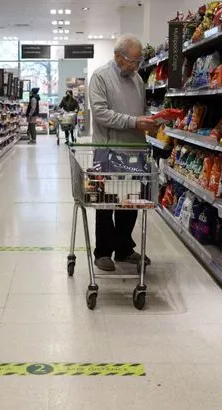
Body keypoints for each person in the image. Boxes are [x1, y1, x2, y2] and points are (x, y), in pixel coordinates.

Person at [88, 34, 157, 272]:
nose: (136, 66)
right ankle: (103, 252)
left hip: (133, 152)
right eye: (132, 61)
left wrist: (152, 119)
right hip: (108, 151)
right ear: (117, 56)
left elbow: (140, 110)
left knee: (130, 204)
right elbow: (101, 114)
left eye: (138, 61)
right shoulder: (100, 77)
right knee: (107, 204)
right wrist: (134, 122)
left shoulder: (137, 79)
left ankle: (124, 249)